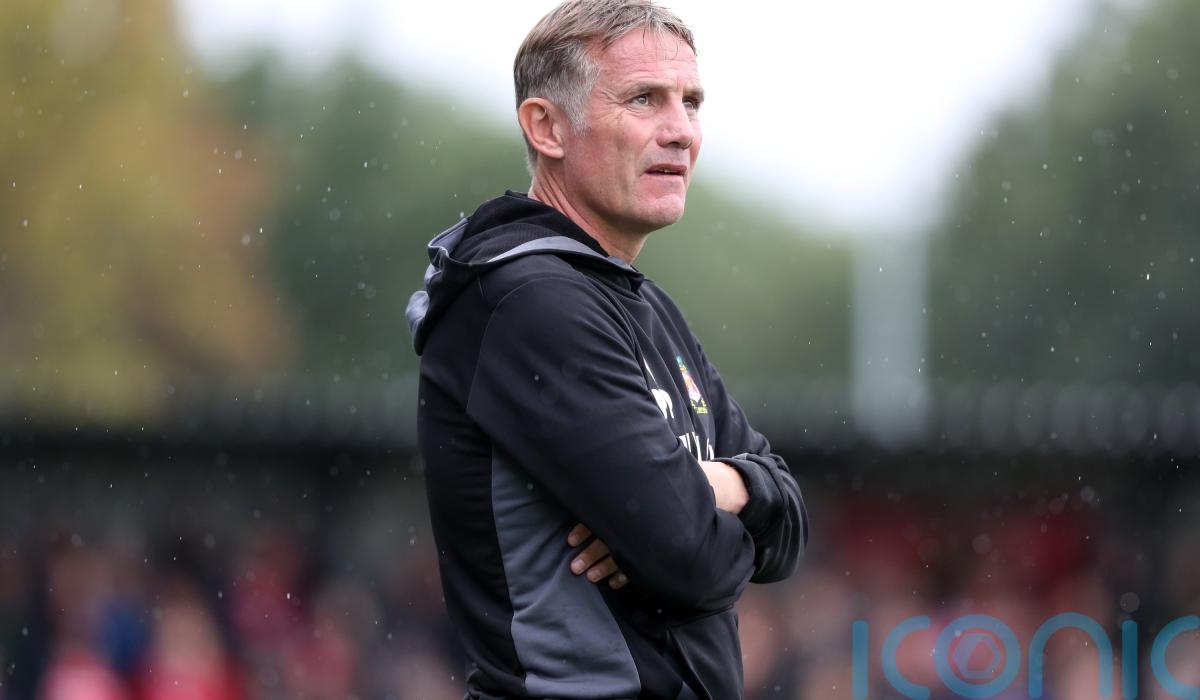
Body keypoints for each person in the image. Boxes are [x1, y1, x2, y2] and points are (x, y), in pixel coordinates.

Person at [406, 1, 808, 698]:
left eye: (691, 102)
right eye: (644, 99)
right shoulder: (531, 301)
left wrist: (717, 485)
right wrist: (701, 511)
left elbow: (792, 528)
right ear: (547, 127)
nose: (680, 131)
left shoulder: (643, 305)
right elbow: (693, 559)